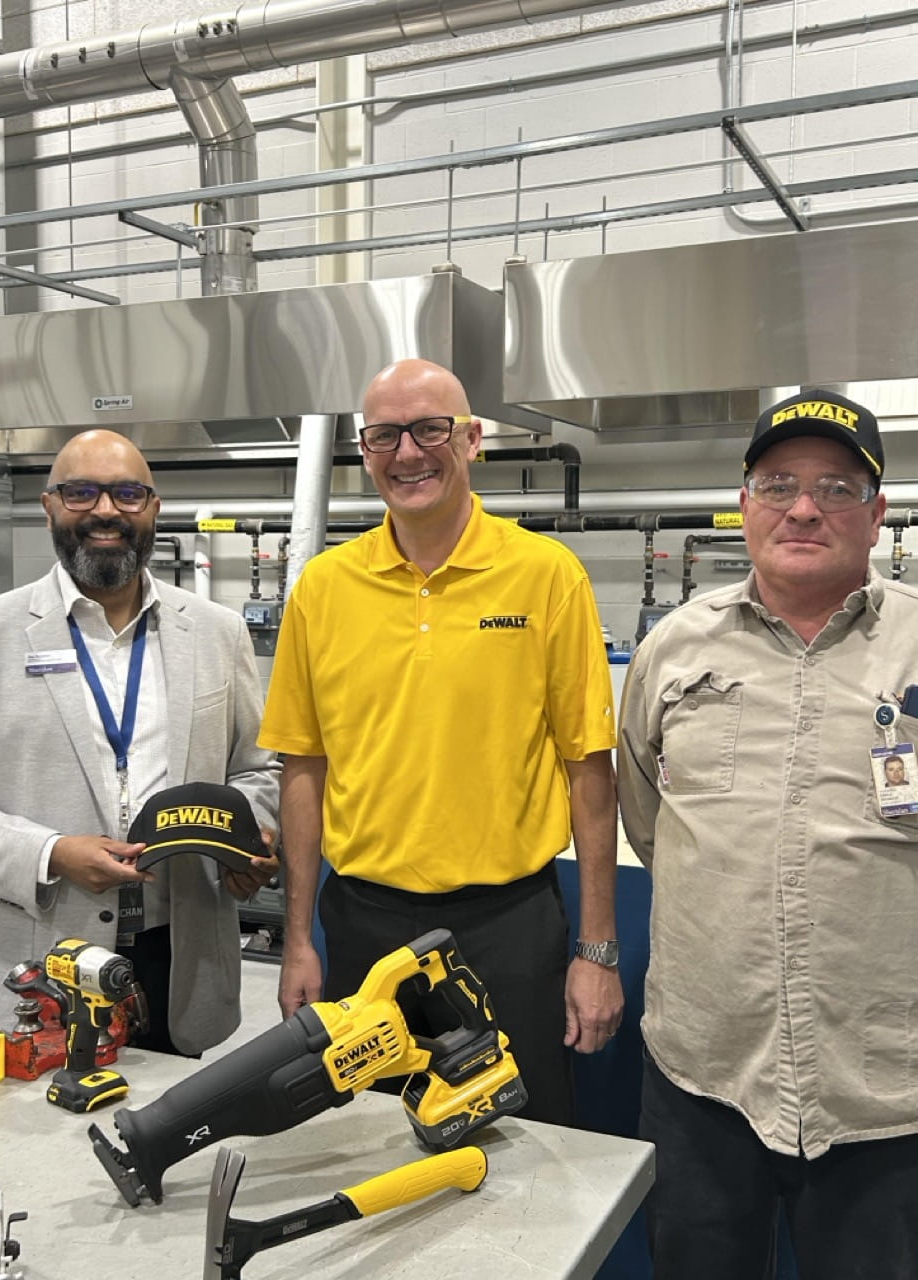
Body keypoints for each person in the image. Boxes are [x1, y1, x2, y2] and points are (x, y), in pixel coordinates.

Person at [259, 358, 622, 1126]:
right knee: (367, 1142)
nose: (408, 453)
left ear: (473, 439)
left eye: (431, 430)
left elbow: (589, 768)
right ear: (364, 450)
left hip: (509, 928)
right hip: (361, 926)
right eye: (384, 435)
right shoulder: (322, 590)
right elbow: (303, 768)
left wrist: (597, 950)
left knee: (521, 1150)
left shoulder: (545, 577)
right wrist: (298, 938)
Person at [617, 388, 918, 1280]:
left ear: (877, 513)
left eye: (835, 488)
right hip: (707, 1074)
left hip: (885, 1089)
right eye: (778, 483)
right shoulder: (675, 648)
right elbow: (650, 820)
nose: (802, 508)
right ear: (745, 504)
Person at [0, 430, 280, 1056]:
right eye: (82, 492)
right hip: (43, 963)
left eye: (127, 494)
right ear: (50, 506)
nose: (106, 510)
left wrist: (250, 837)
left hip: (180, 955)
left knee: (168, 1137)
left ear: (153, 509)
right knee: (40, 1149)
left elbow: (260, 771)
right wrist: (52, 852)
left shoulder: (217, 631)